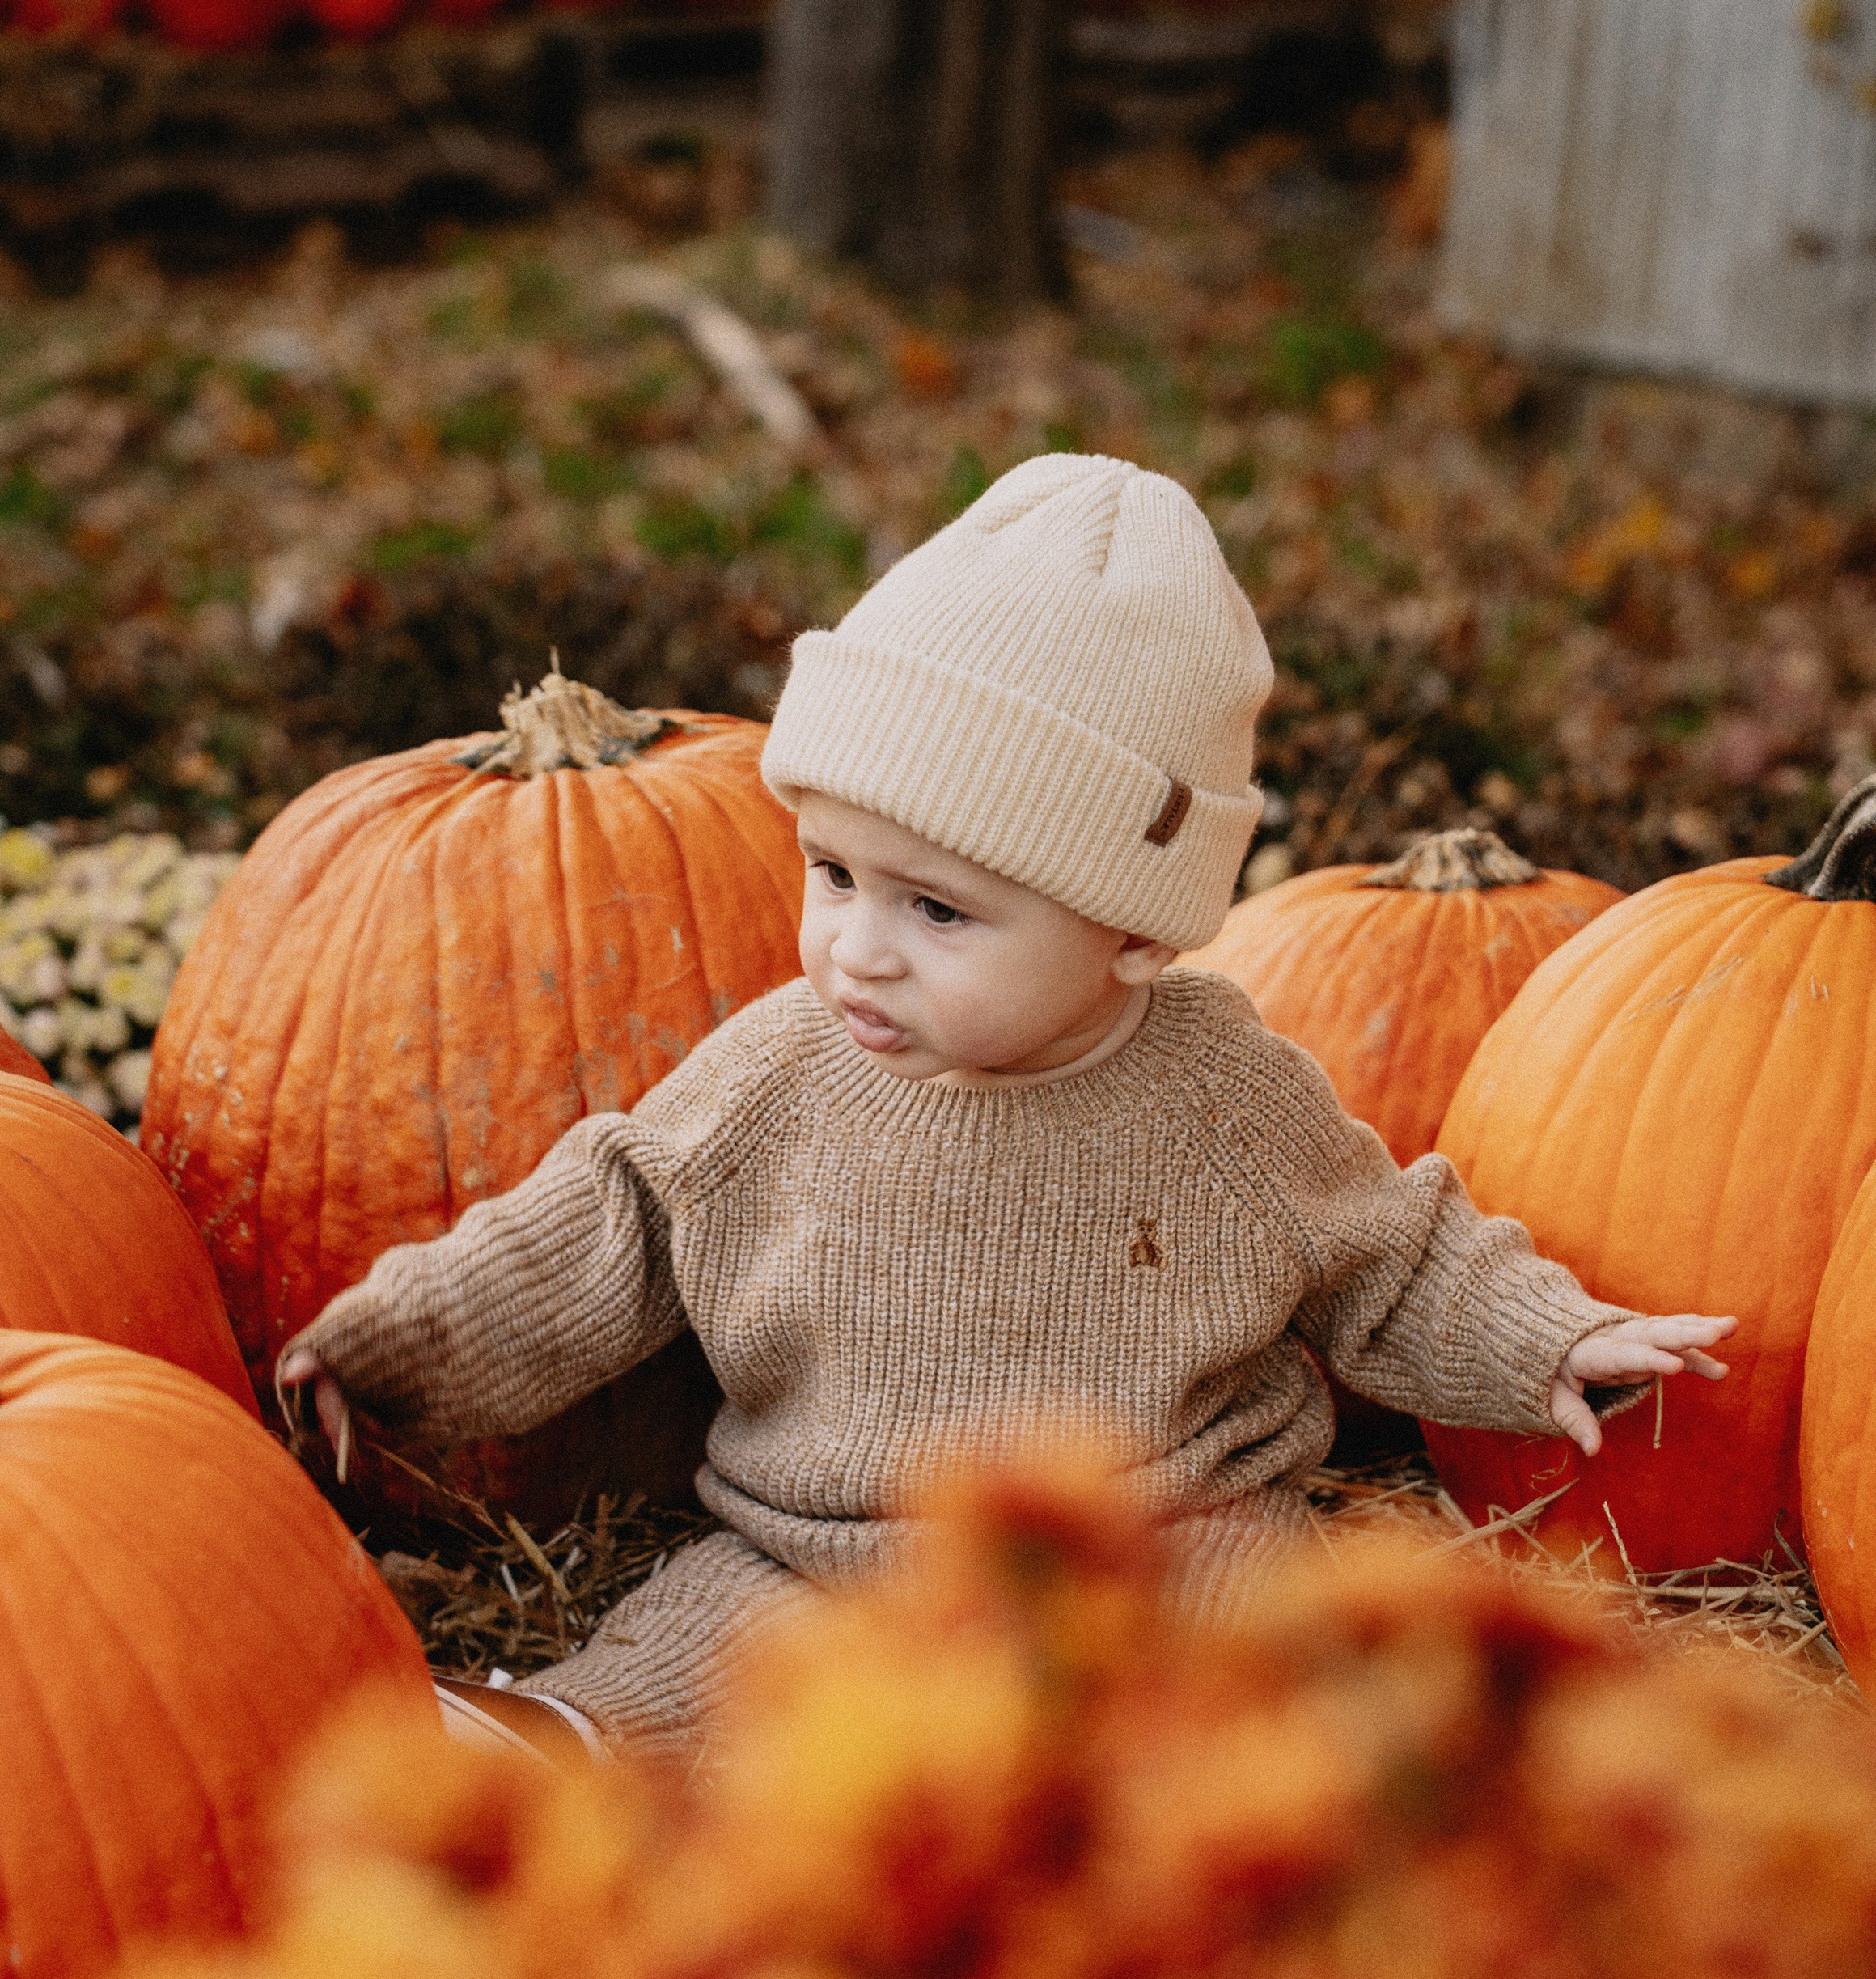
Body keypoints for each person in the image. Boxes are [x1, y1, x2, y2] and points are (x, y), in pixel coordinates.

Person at [281, 456, 1731, 1764]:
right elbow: (611, 1222)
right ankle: (567, 1746)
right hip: (824, 1548)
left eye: (936, 908)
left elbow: (1388, 1251)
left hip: (1158, 1540)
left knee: (1274, 1694)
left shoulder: (1219, 1088)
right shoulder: (782, 1068)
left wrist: (1546, 1336)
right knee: (696, 1660)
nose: (858, 944)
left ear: (1135, 933)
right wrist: (410, 1340)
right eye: (833, 874)